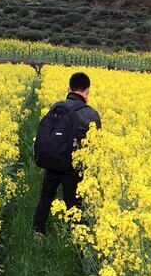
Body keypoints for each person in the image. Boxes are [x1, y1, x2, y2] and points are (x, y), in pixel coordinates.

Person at [32, 72, 101, 236]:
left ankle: (37, 233)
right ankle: (74, 238)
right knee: (73, 204)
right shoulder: (91, 114)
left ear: (69, 89)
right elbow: (95, 145)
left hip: (52, 160)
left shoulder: (57, 107)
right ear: (88, 92)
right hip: (73, 167)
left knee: (45, 198)